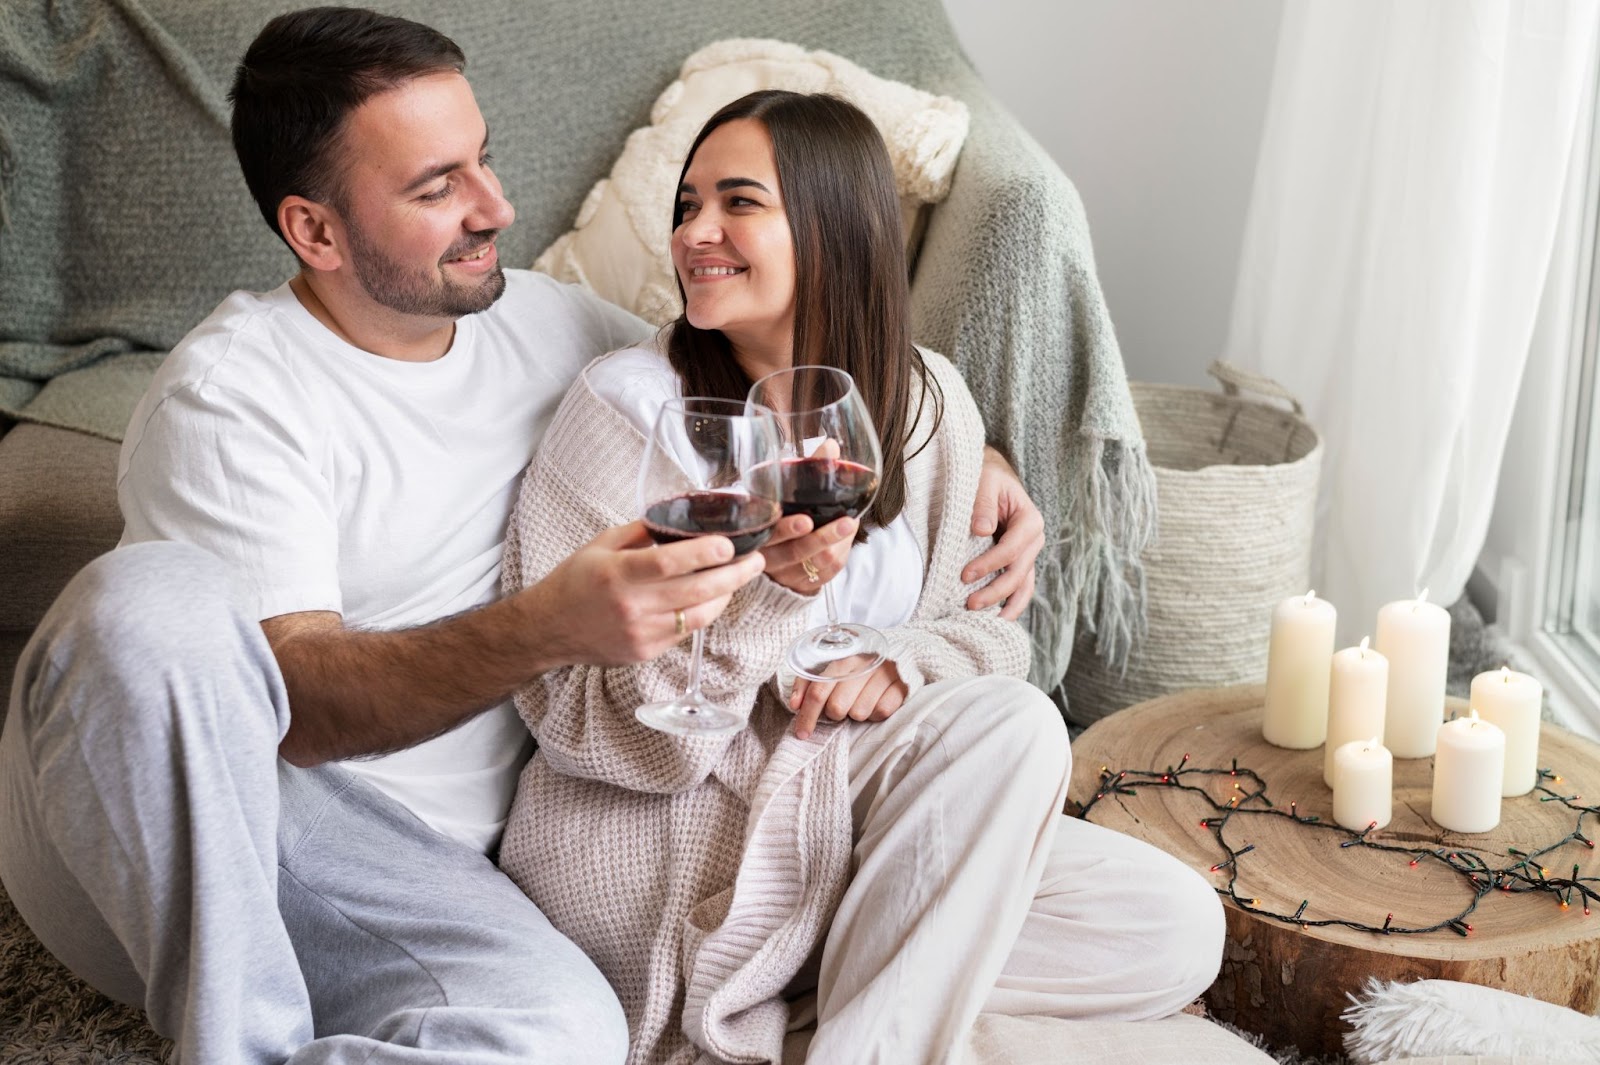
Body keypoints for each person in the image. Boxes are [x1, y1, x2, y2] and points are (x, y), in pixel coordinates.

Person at [0, 8, 1046, 1063]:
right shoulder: (234, 398)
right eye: (435, 187)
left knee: (567, 1037)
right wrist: (545, 628)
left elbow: (732, 376)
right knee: (149, 602)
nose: (495, 206)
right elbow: (299, 712)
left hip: (435, 876)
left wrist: (972, 460)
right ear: (314, 232)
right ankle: (230, 1041)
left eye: (483, 161)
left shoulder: (544, 323)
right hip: (236, 819)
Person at [497, 90, 1225, 1065]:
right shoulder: (634, 414)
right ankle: (876, 1029)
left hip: (862, 809)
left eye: (736, 203)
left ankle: (860, 1006)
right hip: (685, 832)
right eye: (685, 206)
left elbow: (993, 641)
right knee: (1014, 729)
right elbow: (580, 720)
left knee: (1174, 928)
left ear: (833, 224)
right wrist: (771, 599)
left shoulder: (929, 407)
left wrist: (899, 666)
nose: (694, 234)